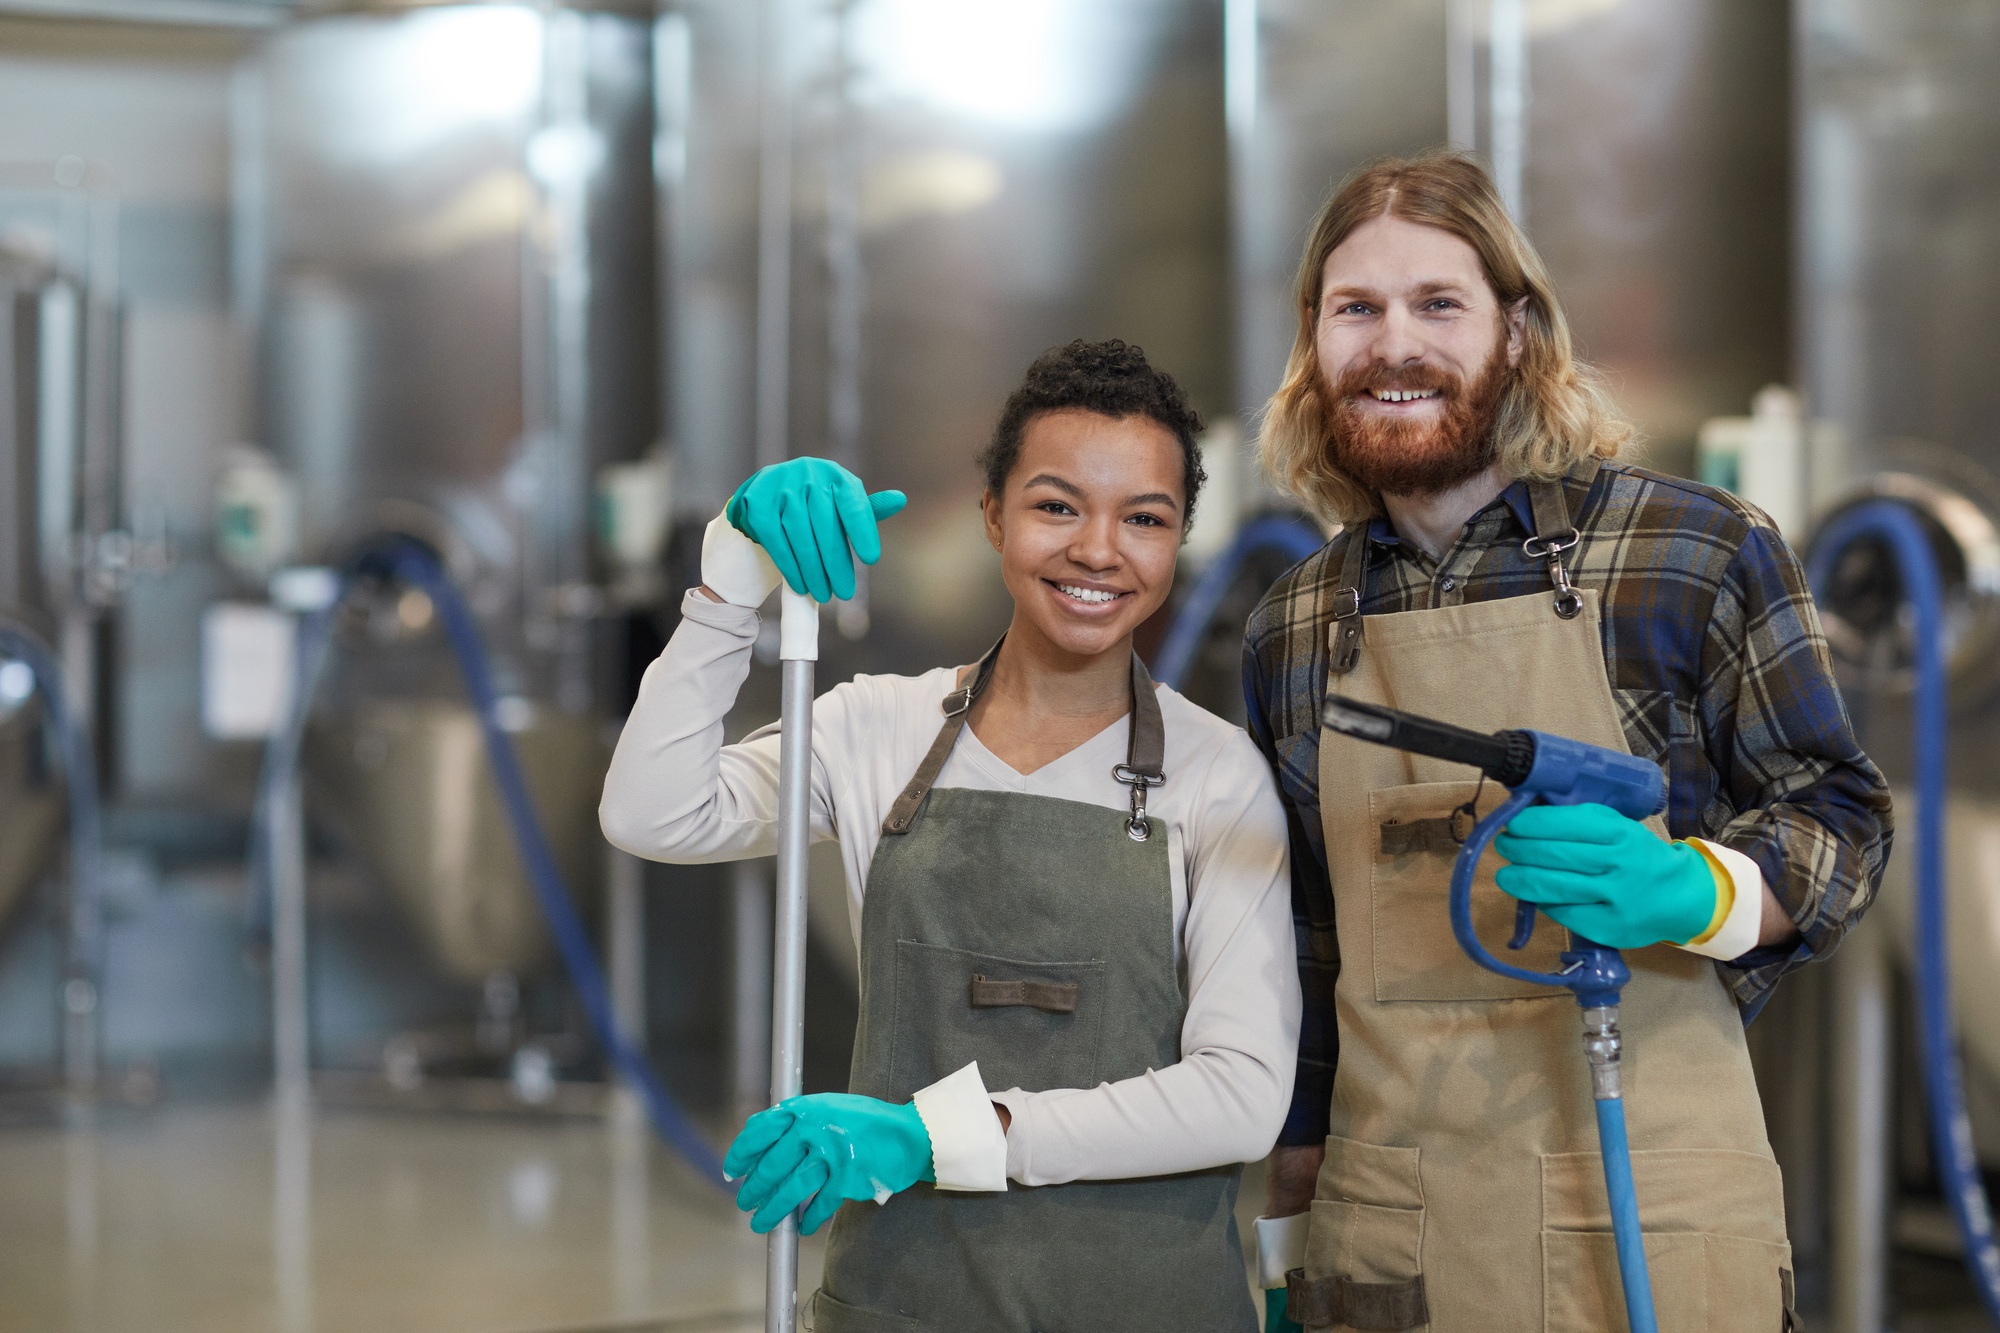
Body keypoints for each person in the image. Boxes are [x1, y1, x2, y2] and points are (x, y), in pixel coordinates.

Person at [1239, 152, 1891, 1331]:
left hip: (1643, 1202)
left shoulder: (1692, 552)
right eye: (1356, 309)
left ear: (1518, 330)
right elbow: (1305, 953)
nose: (1394, 346)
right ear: (1313, 342)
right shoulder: (1295, 622)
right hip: (1393, 1231)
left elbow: (1838, 816)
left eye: (1438, 304)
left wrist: (1699, 890)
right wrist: (1286, 1226)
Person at [600, 339, 1301, 1331]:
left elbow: (1238, 1098)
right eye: (1056, 505)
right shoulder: (873, 728)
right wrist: (729, 577)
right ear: (991, 514)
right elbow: (649, 810)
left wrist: (929, 1138)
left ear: (1178, 538)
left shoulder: (1215, 772)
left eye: (1142, 518)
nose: (1097, 549)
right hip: (900, 1302)